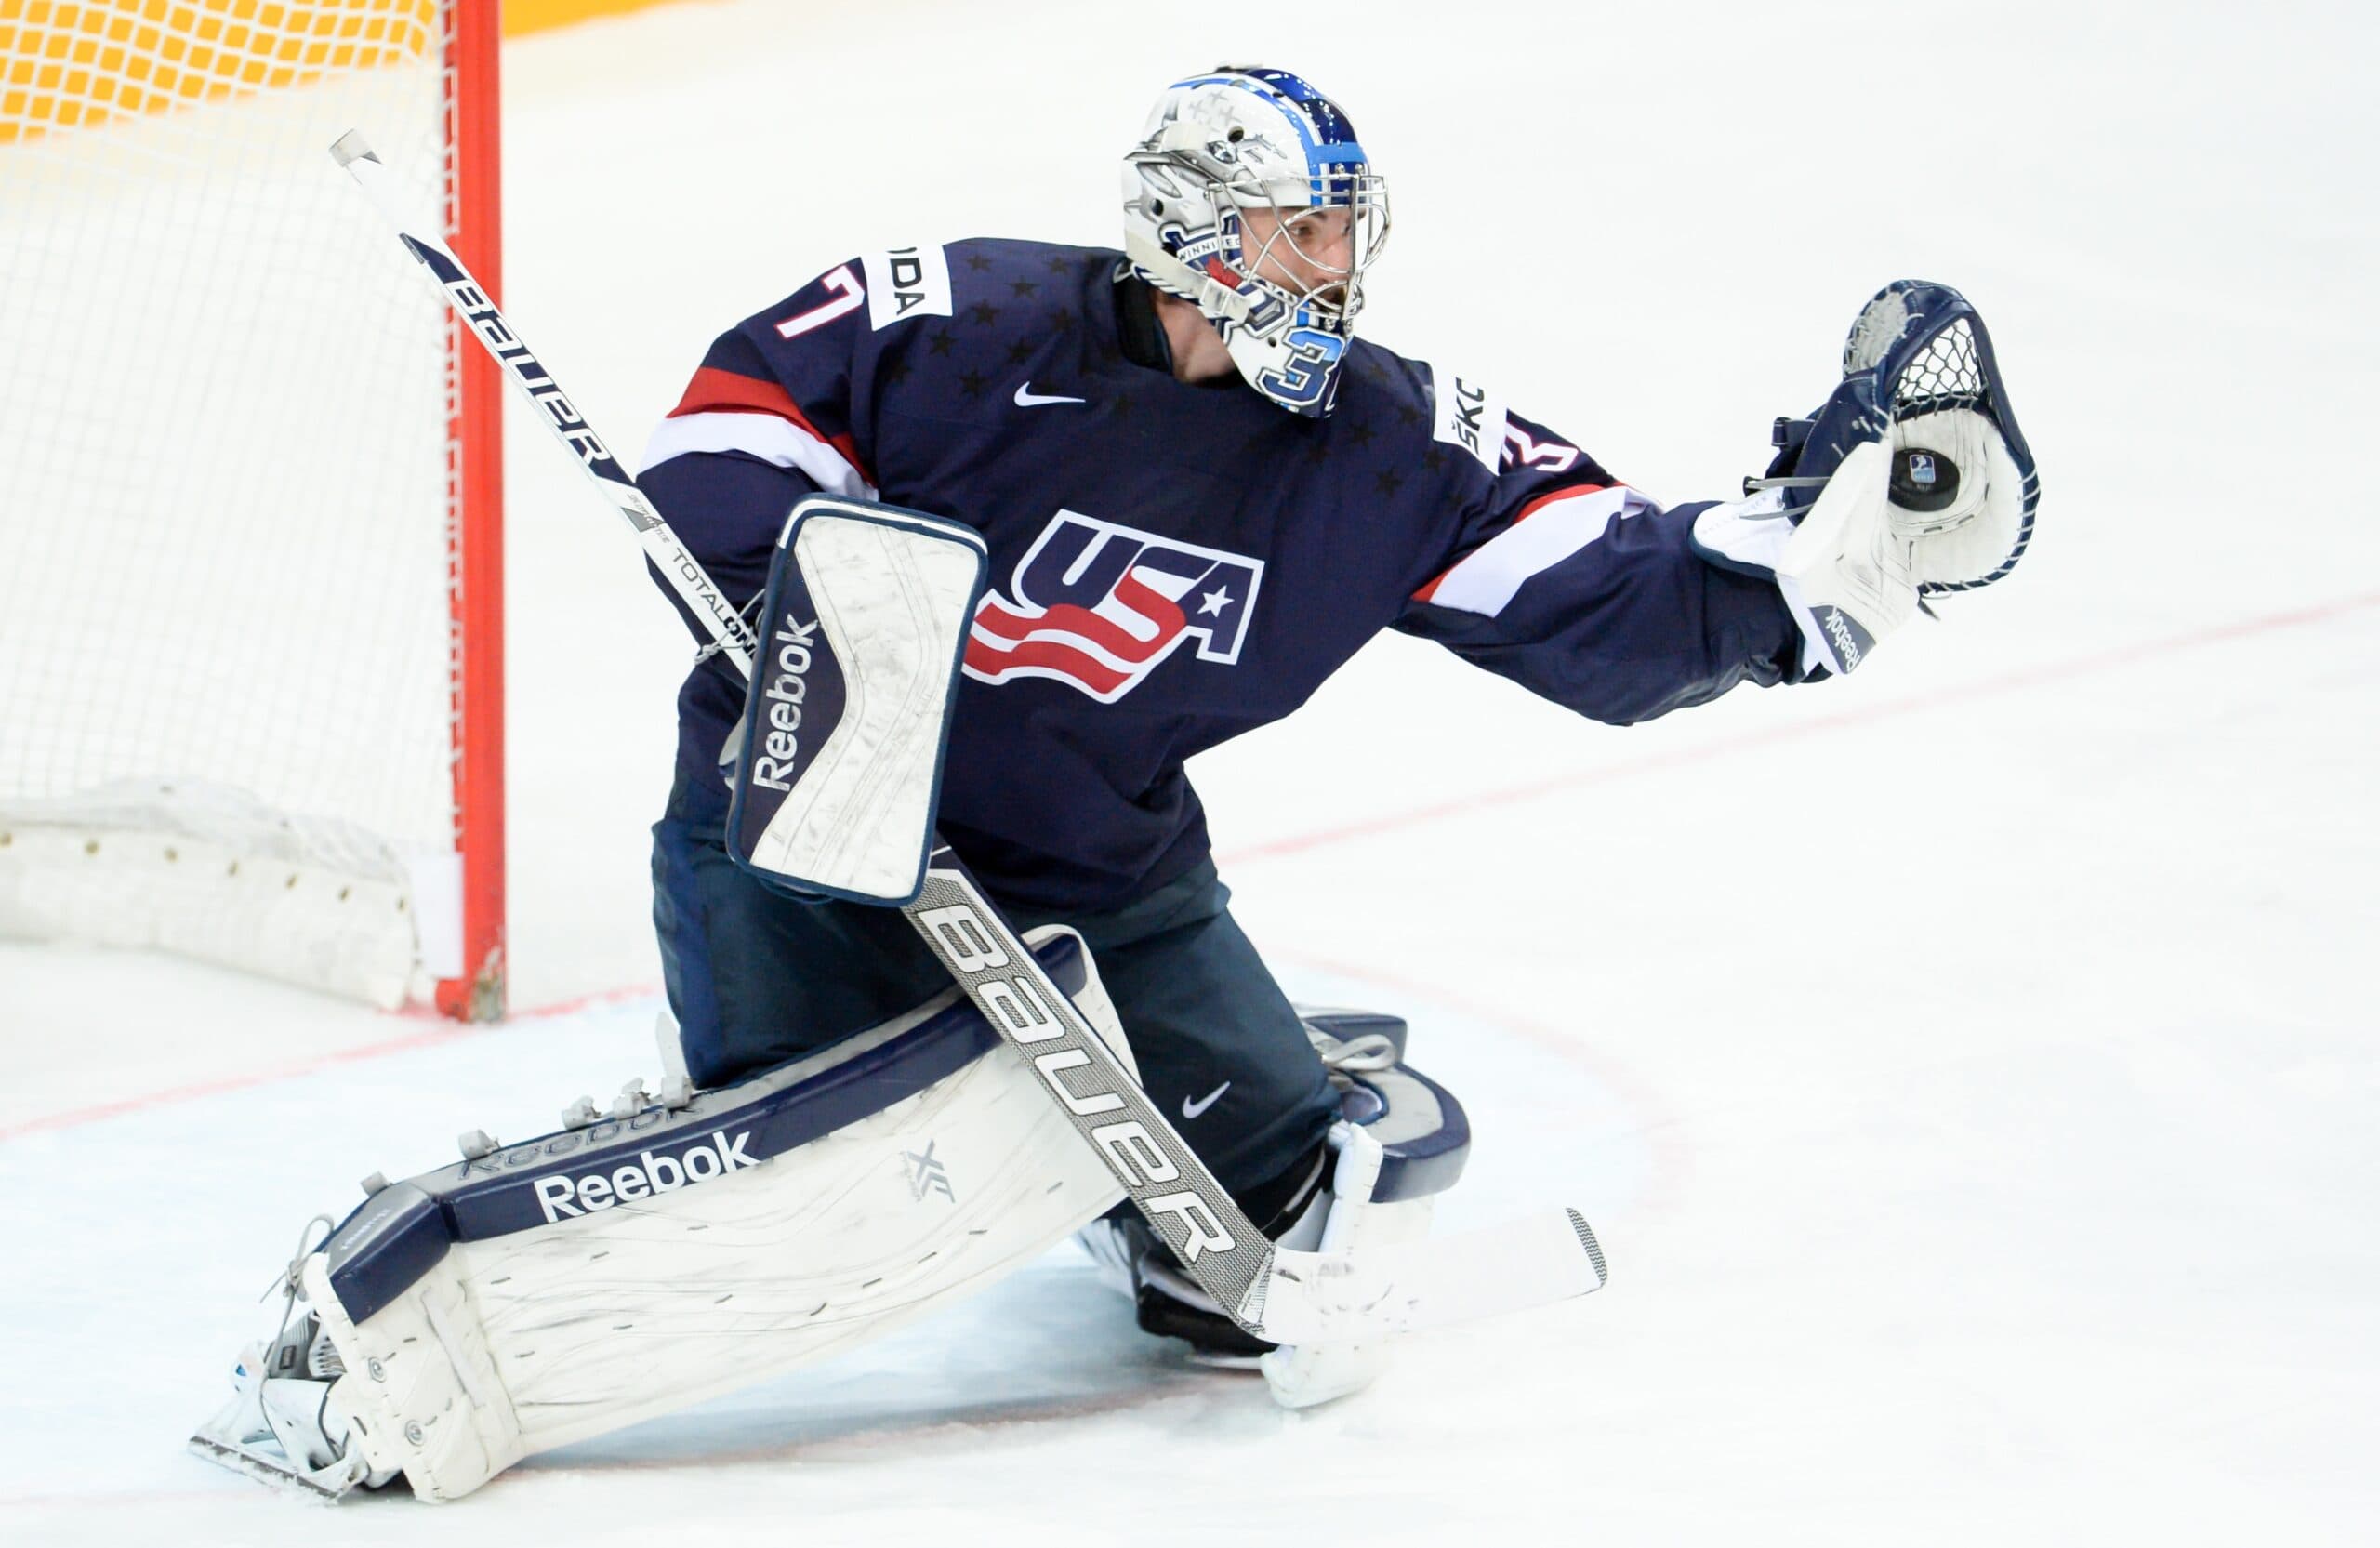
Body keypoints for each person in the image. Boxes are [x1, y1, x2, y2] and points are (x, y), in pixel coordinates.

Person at [635, 65, 2030, 1358]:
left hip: (1098, 878)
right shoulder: (953, 316)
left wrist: (1793, 578)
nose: (1337, 269)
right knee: (806, 1191)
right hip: (809, 835)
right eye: (1301, 233)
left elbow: (1589, 578)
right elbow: (729, 427)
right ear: (1192, 225)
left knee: (1255, 1246)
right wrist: (796, 607)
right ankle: (777, 1054)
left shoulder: (1382, 447)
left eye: (1345, 235)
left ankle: (1194, 1102)